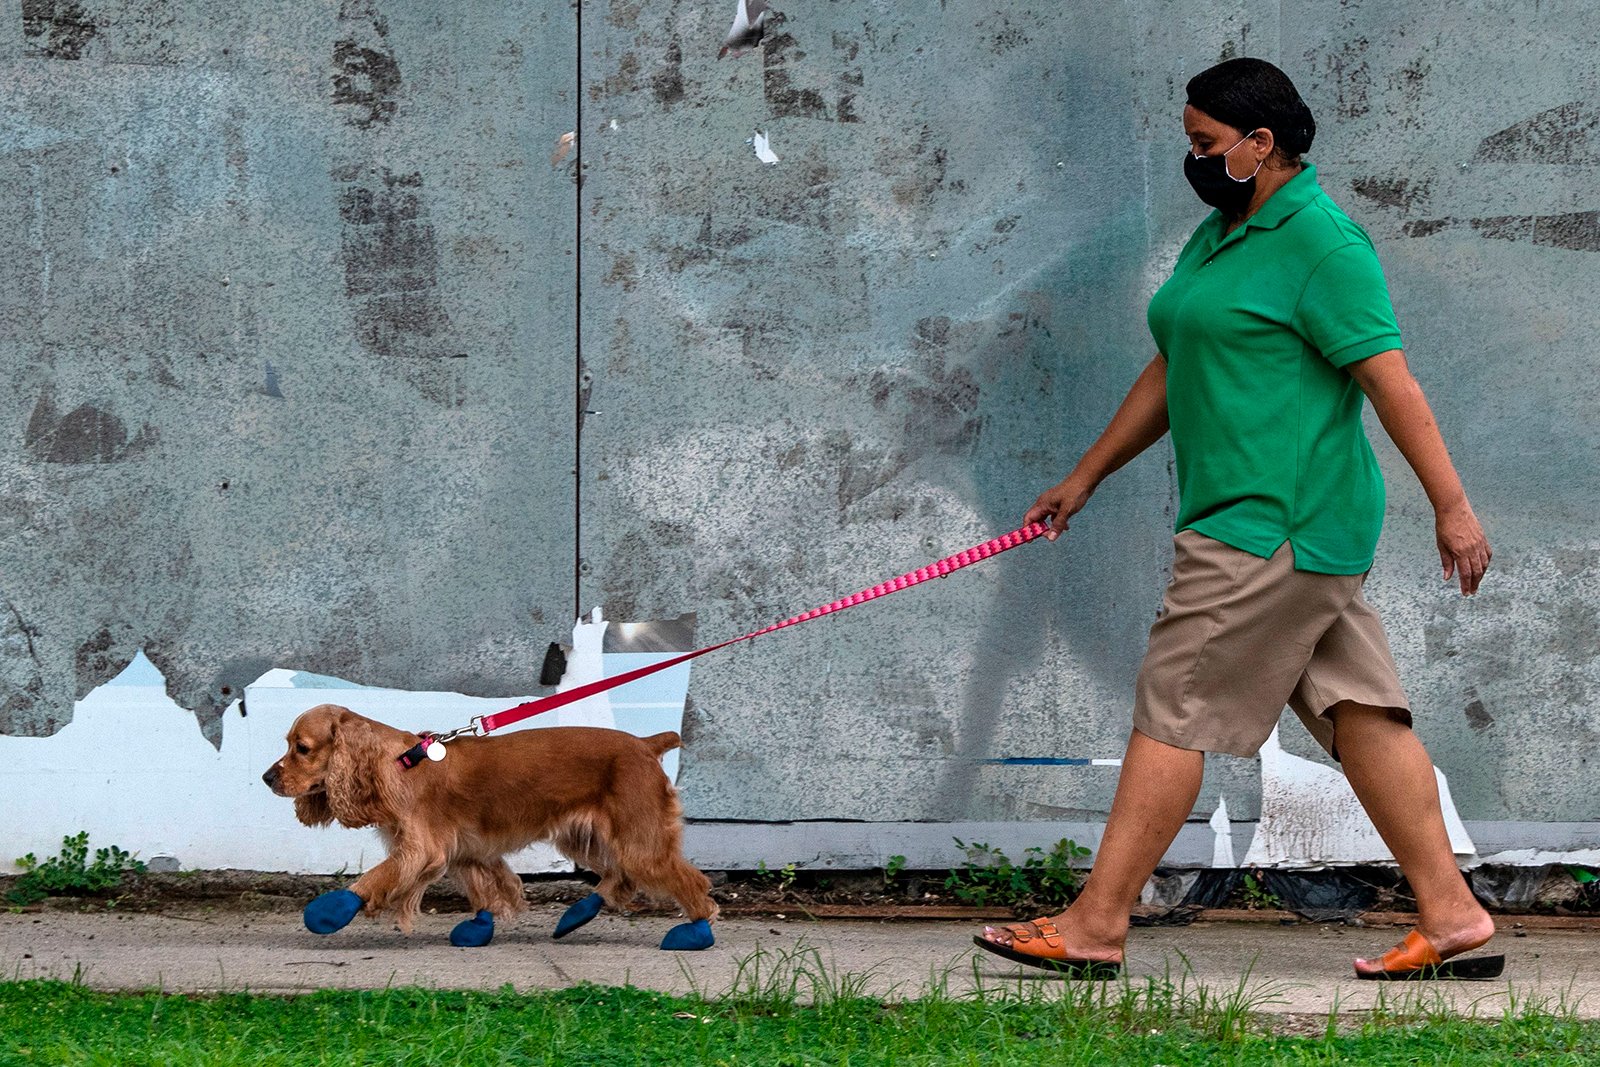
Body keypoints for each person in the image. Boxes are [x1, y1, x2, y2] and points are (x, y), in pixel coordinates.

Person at [974, 57, 1499, 981]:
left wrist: (1452, 508)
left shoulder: (1324, 244)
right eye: (1190, 140)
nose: (1196, 158)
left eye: (1208, 143)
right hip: (1285, 531)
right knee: (1360, 713)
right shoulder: (1223, 234)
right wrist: (1086, 474)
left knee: (1173, 709)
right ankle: (1453, 915)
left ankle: (1096, 923)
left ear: (1262, 145)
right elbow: (1176, 361)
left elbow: (1390, 379)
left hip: (1271, 529)